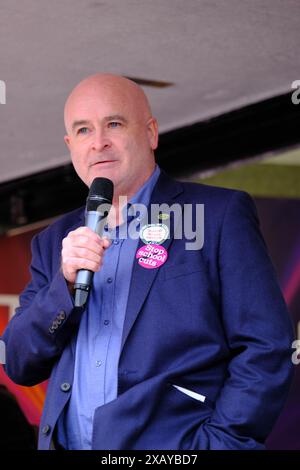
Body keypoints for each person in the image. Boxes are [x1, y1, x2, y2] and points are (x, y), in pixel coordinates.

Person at [1, 73, 294, 450]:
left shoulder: (216, 215)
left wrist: (220, 443)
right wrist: (65, 284)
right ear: (70, 145)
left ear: (151, 133)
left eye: (114, 124)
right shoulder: (55, 241)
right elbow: (20, 362)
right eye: (84, 130)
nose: (99, 142)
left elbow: (266, 346)